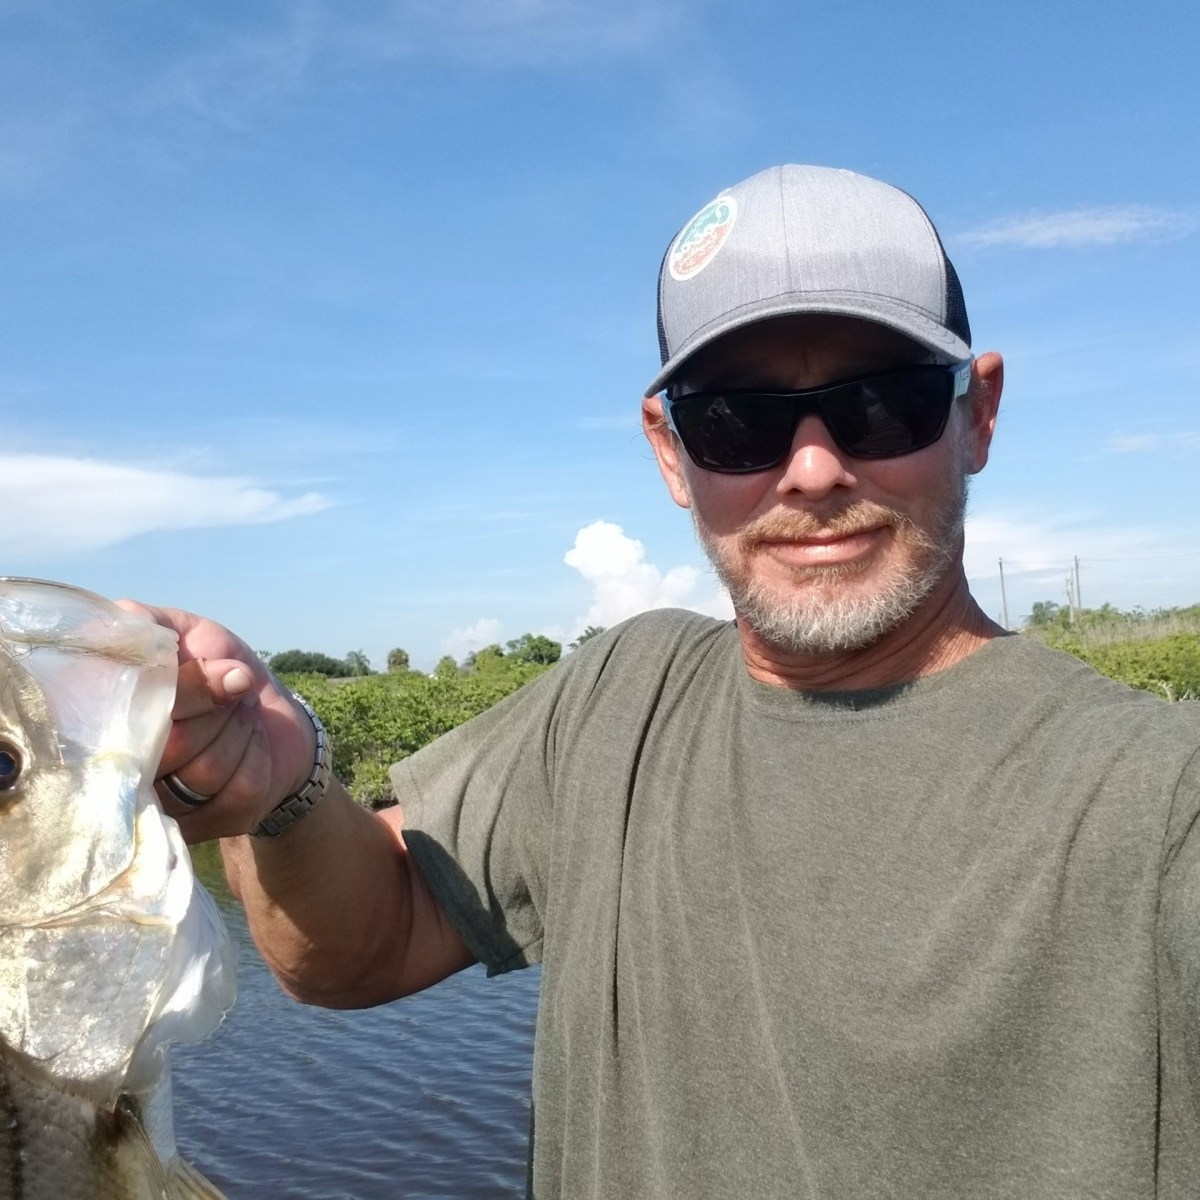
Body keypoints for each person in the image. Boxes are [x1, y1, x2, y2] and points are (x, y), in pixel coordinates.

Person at [141, 165, 1200, 1199]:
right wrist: (283, 789)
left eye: (883, 404)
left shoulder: (1158, 799)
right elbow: (359, 948)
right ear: (668, 450)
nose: (816, 469)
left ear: (978, 415)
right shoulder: (622, 698)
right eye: (737, 418)